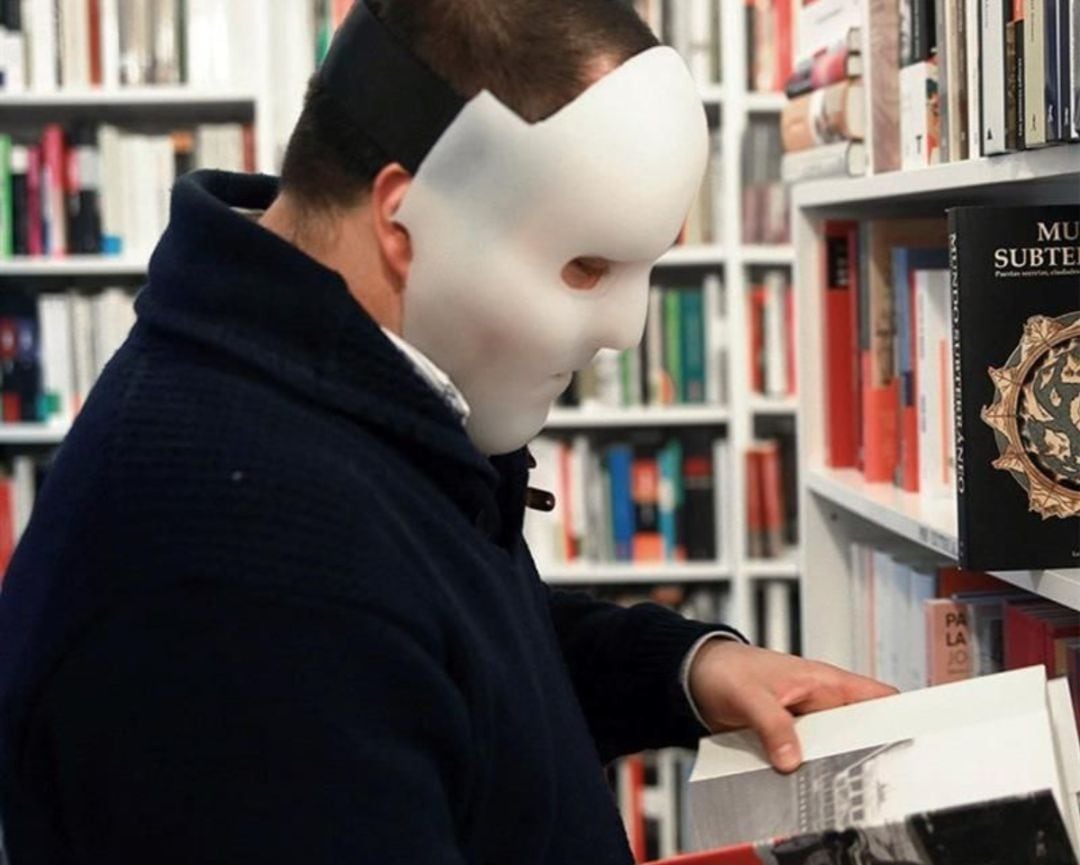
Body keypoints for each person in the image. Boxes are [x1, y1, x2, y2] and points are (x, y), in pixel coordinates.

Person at [0, 1, 895, 862]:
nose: (627, 329)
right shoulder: (229, 570)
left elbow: (432, 652)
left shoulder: (341, 396)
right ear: (402, 216)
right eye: (587, 264)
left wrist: (679, 671)